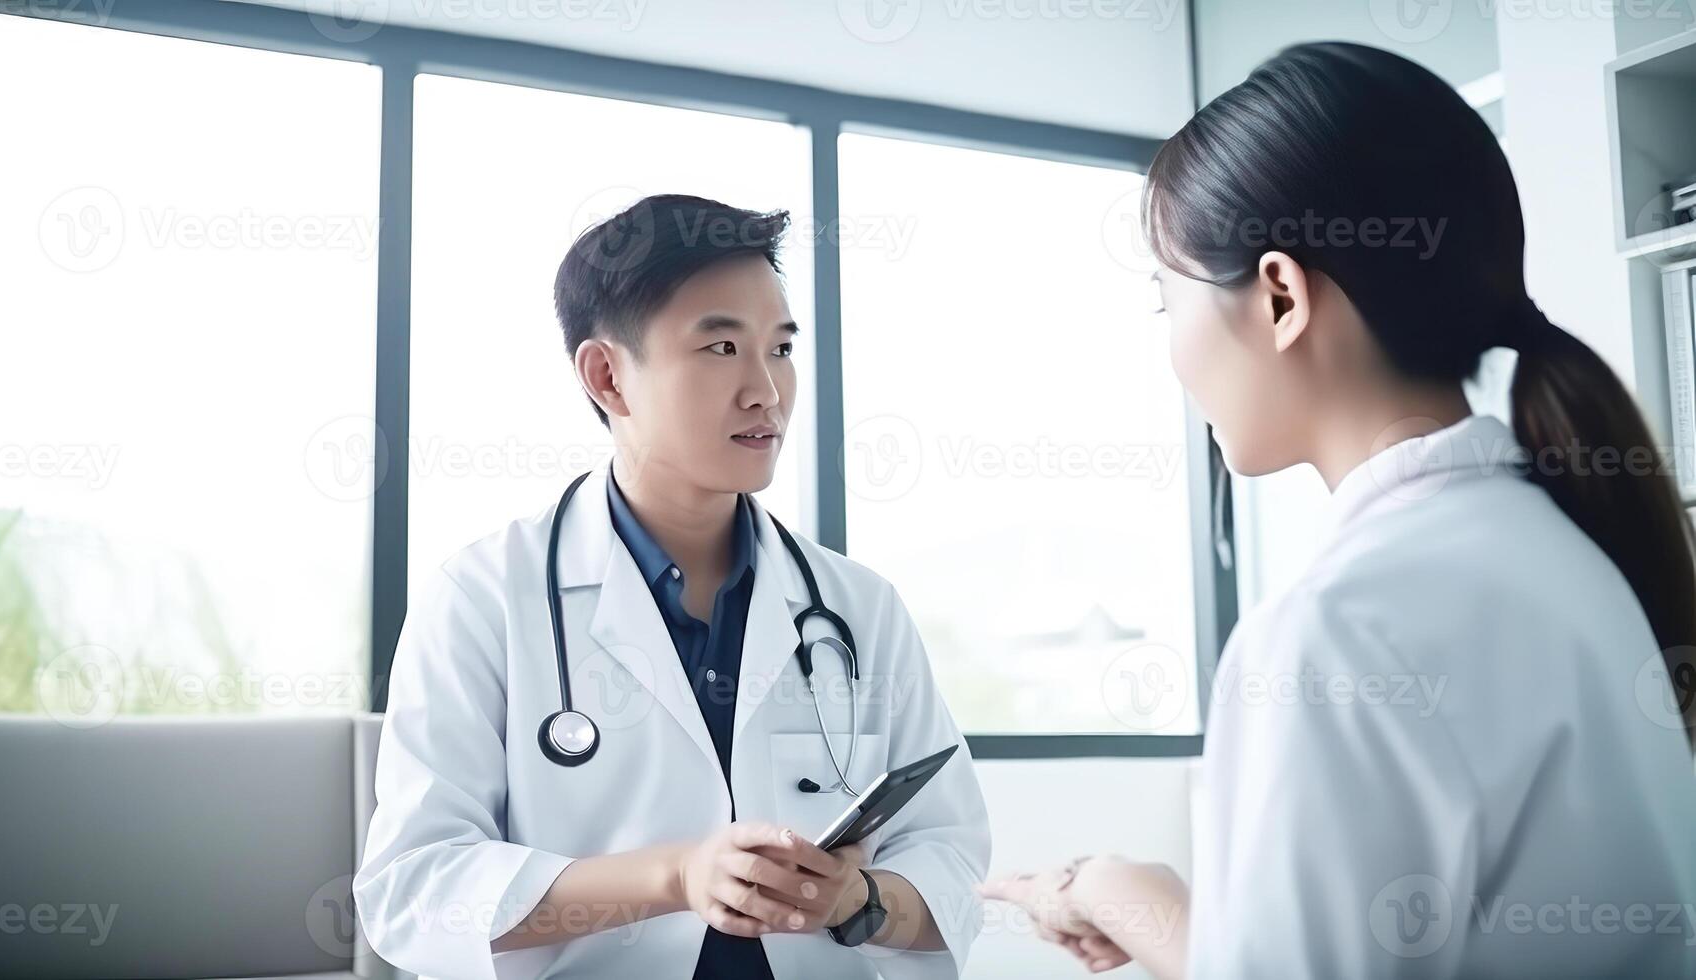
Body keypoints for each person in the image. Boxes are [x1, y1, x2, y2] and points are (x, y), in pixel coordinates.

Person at [980, 42, 1696, 978]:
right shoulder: (1575, 550)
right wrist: (1137, 900)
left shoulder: (1335, 634)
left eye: (1167, 303)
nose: (1172, 355)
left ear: (1278, 295)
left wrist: (1132, 898)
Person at [354, 194, 990, 980]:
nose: (767, 390)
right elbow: (414, 889)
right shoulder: (483, 598)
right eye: (721, 348)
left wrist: (852, 900)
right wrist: (676, 877)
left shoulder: (859, 608)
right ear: (607, 375)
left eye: (781, 348)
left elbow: (955, 868)